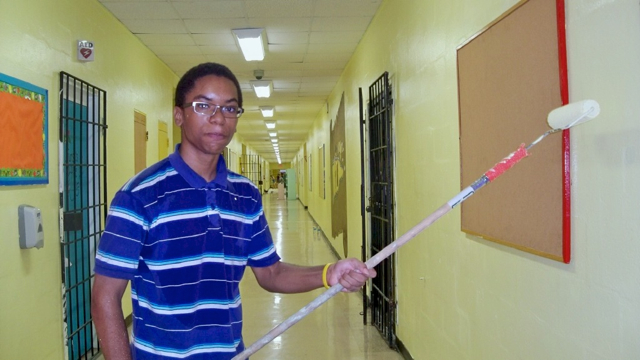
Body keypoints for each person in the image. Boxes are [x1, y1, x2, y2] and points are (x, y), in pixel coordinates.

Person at [91, 62, 376, 360]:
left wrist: (330, 272)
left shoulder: (245, 195)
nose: (218, 119)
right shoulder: (140, 196)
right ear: (179, 115)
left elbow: (271, 272)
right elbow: (105, 298)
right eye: (204, 106)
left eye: (230, 109)